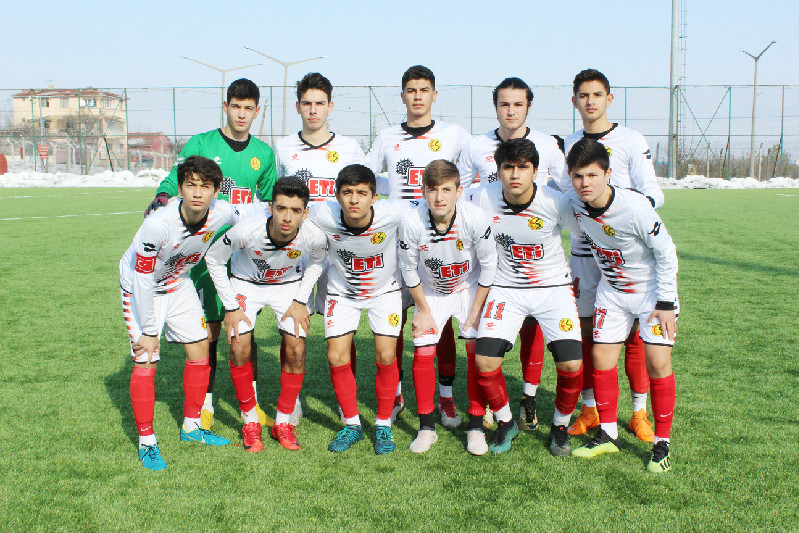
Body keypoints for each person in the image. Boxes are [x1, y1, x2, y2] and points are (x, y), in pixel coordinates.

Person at [144, 78, 279, 431]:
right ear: (226, 106)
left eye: (249, 108)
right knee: (210, 331)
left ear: (257, 112)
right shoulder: (202, 143)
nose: (241, 114)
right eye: (236, 106)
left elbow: (267, 205)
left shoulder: (263, 155)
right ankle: (205, 405)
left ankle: (251, 403)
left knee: (242, 332)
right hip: (202, 251)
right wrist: (161, 197)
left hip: (242, 255)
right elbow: (175, 181)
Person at [457, 76, 569, 432]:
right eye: (504, 104)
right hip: (491, 252)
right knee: (492, 331)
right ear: (496, 107)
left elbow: (565, 188)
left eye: (518, 104)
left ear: (528, 107)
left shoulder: (548, 145)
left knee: (534, 328)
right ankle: (491, 404)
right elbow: (458, 189)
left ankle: (530, 396)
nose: (511, 111)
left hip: (536, 249)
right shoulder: (477, 146)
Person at [559, 69, 664, 443]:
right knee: (589, 331)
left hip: (626, 252)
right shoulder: (568, 143)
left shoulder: (630, 139)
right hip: (585, 253)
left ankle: (638, 412)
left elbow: (654, 192)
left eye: (597, 95)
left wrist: (624, 219)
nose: (590, 102)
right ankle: (590, 409)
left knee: (635, 337)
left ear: (609, 99)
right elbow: (561, 195)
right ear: (574, 101)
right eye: (583, 95)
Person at [365, 65, 471, 424]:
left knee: (438, 319)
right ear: (402, 96)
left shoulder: (454, 135)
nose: (417, 96)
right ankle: (395, 395)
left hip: (440, 244)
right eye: (411, 90)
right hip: (396, 242)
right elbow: (367, 178)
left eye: (424, 90)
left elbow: (469, 176)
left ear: (434, 95)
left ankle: (445, 397)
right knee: (393, 322)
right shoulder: (386, 137)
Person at [120, 156, 241, 471]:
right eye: (191, 185)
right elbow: (142, 278)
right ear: (180, 188)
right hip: (140, 286)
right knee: (146, 358)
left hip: (178, 282)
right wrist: (149, 330)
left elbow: (247, 217)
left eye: (205, 186)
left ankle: (191, 426)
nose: (198, 193)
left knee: (200, 346)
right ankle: (147, 442)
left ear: (216, 190)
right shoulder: (158, 223)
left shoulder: (222, 211)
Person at [566, 138, 677, 473]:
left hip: (651, 294)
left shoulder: (635, 207)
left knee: (657, 362)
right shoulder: (573, 205)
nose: (585, 183)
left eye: (592, 175)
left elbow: (667, 253)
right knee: (601, 358)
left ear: (608, 173)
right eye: (577, 176)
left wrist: (666, 302)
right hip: (612, 292)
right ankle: (608, 434)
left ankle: (662, 443)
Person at [468, 138, 584, 456]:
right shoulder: (482, 198)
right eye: (508, 167)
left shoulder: (554, 201)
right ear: (498, 170)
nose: (515, 175)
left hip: (553, 291)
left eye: (523, 168)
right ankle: (506, 423)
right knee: (484, 361)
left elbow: (587, 233)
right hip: (507, 288)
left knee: (572, 365)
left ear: (535, 171)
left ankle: (560, 427)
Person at [205, 177, 326, 452]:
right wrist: (231, 306)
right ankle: (250, 422)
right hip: (246, 284)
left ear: (305, 213)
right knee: (238, 347)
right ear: (271, 207)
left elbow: (317, 261)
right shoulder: (248, 230)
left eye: (296, 211)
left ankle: (283, 422)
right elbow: (213, 258)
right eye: (281, 208)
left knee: (296, 347)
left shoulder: (313, 235)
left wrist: (299, 300)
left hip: (287, 287)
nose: (287, 217)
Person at [275, 73, 365, 423]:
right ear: (298, 106)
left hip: (337, 252)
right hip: (295, 253)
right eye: (307, 103)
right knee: (292, 330)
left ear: (331, 106)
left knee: (341, 329)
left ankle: (347, 404)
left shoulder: (350, 148)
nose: (313, 110)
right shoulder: (283, 148)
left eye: (320, 103)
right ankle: (292, 401)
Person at [308, 164, 409, 454]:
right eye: (348, 193)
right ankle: (352, 423)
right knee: (337, 357)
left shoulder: (394, 213)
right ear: (336, 196)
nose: (354, 200)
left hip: (385, 291)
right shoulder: (322, 214)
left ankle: (383, 425)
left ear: (375, 197)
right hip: (342, 293)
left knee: (386, 355)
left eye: (362, 193)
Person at [398, 160, 497, 454]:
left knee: (475, 351)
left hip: (468, 287)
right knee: (424, 352)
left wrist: (477, 310)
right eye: (432, 190)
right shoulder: (413, 221)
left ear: (459, 191)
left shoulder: (475, 218)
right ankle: (426, 427)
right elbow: (408, 269)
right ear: (423, 191)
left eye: (446, 189)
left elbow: (490, 265)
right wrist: (423, 310)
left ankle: (476, 426)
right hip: (430, 291)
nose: (439, 197)